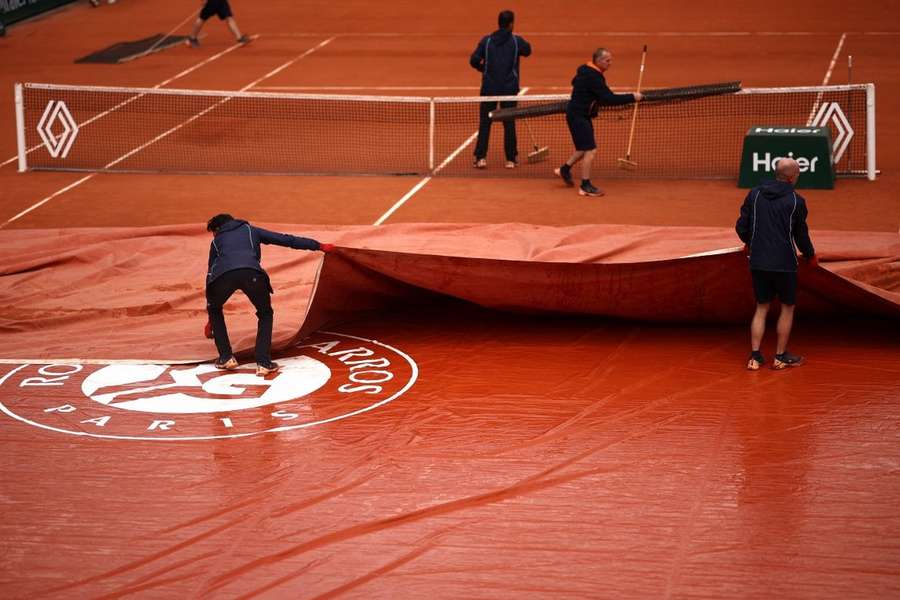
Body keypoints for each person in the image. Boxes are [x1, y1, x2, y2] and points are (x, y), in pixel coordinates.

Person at [205, 214, 333, 376]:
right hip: (253, 274)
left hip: (222, 278)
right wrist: (319, 246)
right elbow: (286, 240)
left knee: (216, 310)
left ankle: (226, 357)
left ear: (217, 229)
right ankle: (263, 363)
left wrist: (210, 316)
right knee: (265, 313)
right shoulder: (251, 231)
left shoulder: (216, 242)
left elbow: (210, 274)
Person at [735, 158, 817, 371]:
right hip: (785, 263)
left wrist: (748, 243)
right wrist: (810, 255)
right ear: (792, 177)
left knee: (761, 307)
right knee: (787, 307)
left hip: (759, 261)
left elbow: (742, 225)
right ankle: (780, 356)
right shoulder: (796, 201)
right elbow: (801, 235)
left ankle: (755, 357)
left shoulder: (755, 194)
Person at [554, 48, 642, 197]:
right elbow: (610, 99)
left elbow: (575, 82)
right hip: (578, 116)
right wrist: (632, 97)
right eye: (608, 60)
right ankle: (585, 185)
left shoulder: (585, 70)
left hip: (580, 114)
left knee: (583, 148)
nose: (610, 63)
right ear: (599, 61)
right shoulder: (594, 77)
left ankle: (565, 169)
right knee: (590, 150)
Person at [469, 10, 532, 169]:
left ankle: (480, 158)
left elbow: (474, 60)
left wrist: (483, 69)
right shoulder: (516, 41)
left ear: (499, 23)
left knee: (485, 122)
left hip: (489, 88)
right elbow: (528, 51)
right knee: (509, 123)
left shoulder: (487, 41)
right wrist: (517, 40)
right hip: (509, 89)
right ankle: (511, 159)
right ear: (511, 24)